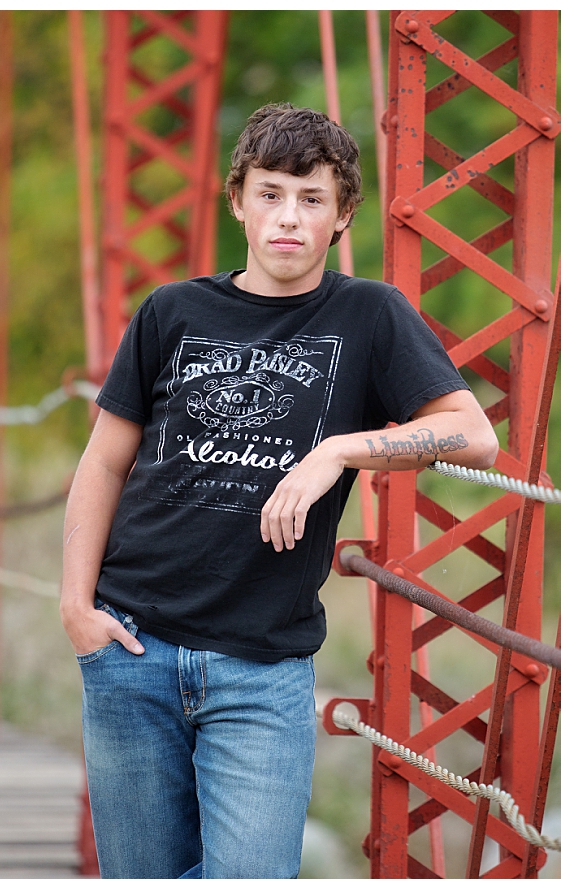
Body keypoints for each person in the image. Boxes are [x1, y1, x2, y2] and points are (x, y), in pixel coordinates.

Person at [59, 103, 498, 879]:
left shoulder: (368, 315)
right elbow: (102, 463)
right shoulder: (171, 311)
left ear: (341, 215)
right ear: (237, 201)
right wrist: (74, 607)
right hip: (131, 646)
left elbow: (473, 434)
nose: (287, 218)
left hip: (259, 668)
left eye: (310, 198)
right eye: (269, 194)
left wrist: (338, 449)